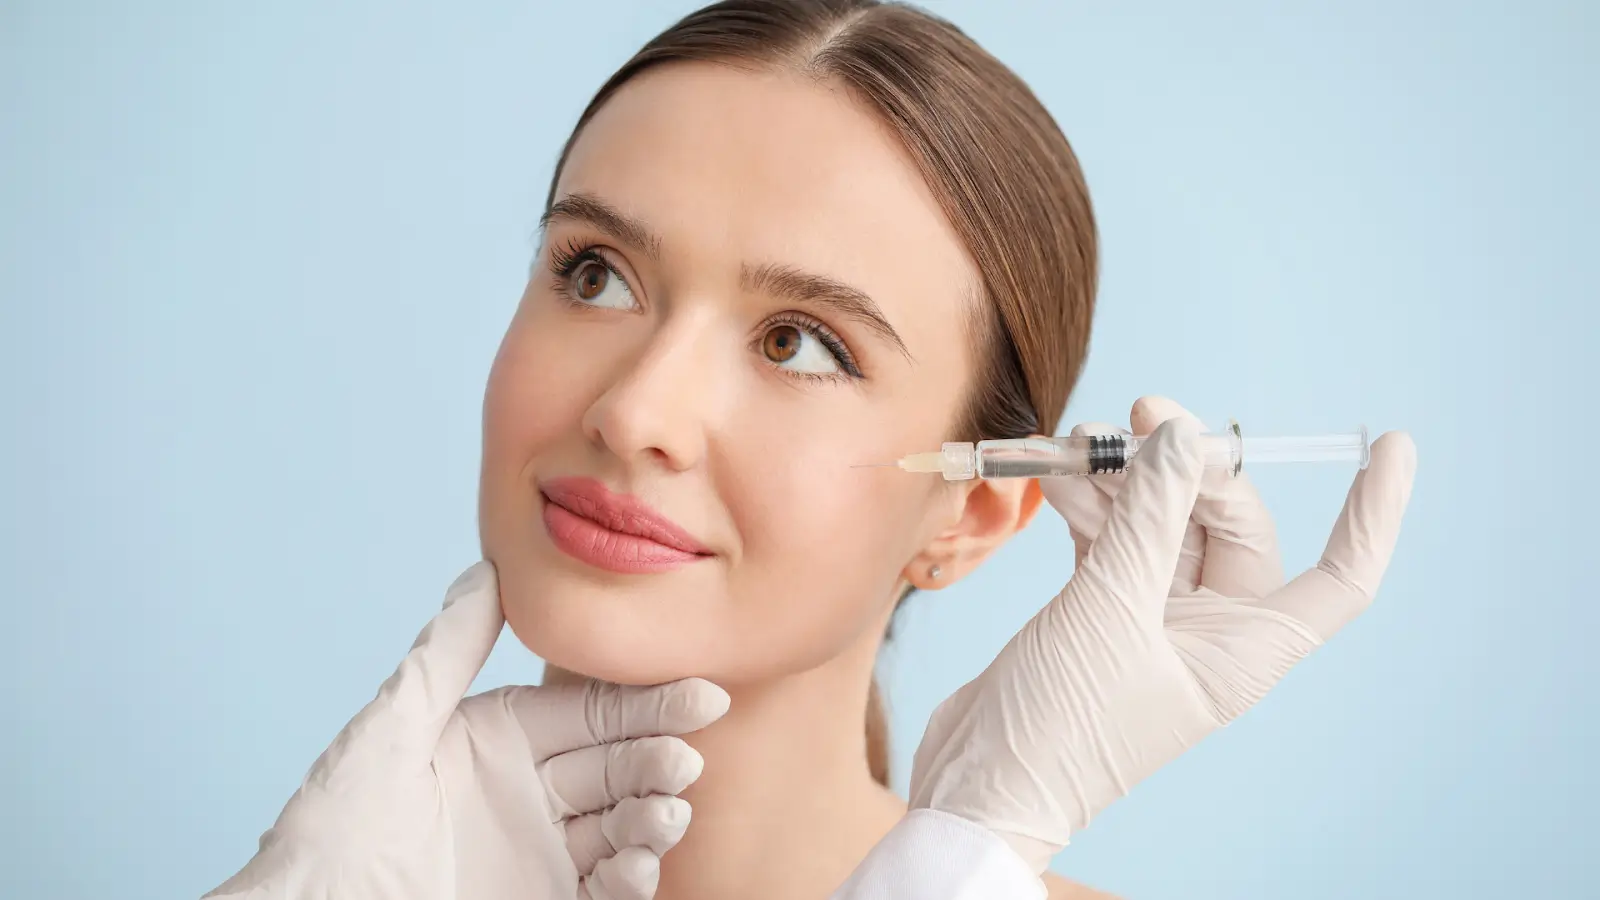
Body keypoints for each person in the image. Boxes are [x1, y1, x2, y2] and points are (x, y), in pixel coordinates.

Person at [206, 1, 1417, 898]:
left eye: (800, 344)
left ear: (973, 510)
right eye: (595, 272)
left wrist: (963, 859)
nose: (635, 414)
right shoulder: (354, 862)